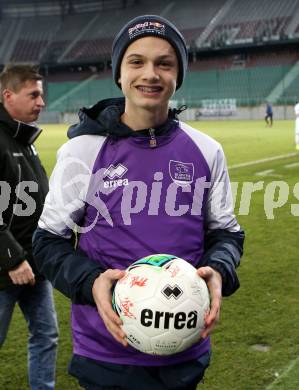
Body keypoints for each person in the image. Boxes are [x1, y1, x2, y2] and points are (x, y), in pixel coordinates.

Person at [33, 15, 245, 390]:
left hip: (186, 347)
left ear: (178, 75)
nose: (151, 74)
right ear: (119, 73)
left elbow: (226, 233)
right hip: (106, 354)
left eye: (164, 63)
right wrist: (92, 281)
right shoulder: (82, 152)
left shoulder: (207, 151)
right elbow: (48, 242)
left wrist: (219, 269)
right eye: (137, 61)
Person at [0, 64, 58, 390]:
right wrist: (12, 258)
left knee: (46, 334)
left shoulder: (24, 137)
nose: (42, 102)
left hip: (34, 263)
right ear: (8, 96)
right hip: (7, 267)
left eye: (42, 94)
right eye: (33, 94)